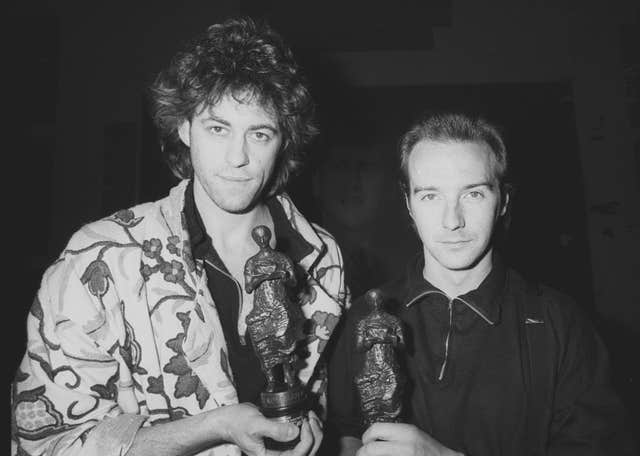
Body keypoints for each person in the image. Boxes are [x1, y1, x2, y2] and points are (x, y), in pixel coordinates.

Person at [11, 17, 347, 456]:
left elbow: (318, 399)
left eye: (259, 133)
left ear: (283, 141)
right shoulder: (98, 259)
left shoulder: (323, 259)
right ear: (185, 128)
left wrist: (311, 427)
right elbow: (46, 445)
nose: (238, 158)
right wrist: (215, 427)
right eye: (217, 128)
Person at [327, 113, 636, 455]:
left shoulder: (561, 324)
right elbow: (346, 430)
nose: (452, 221)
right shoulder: (363, 317)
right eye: (430, 196)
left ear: (503, 200)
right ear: (409, 205)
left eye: (473, 194)